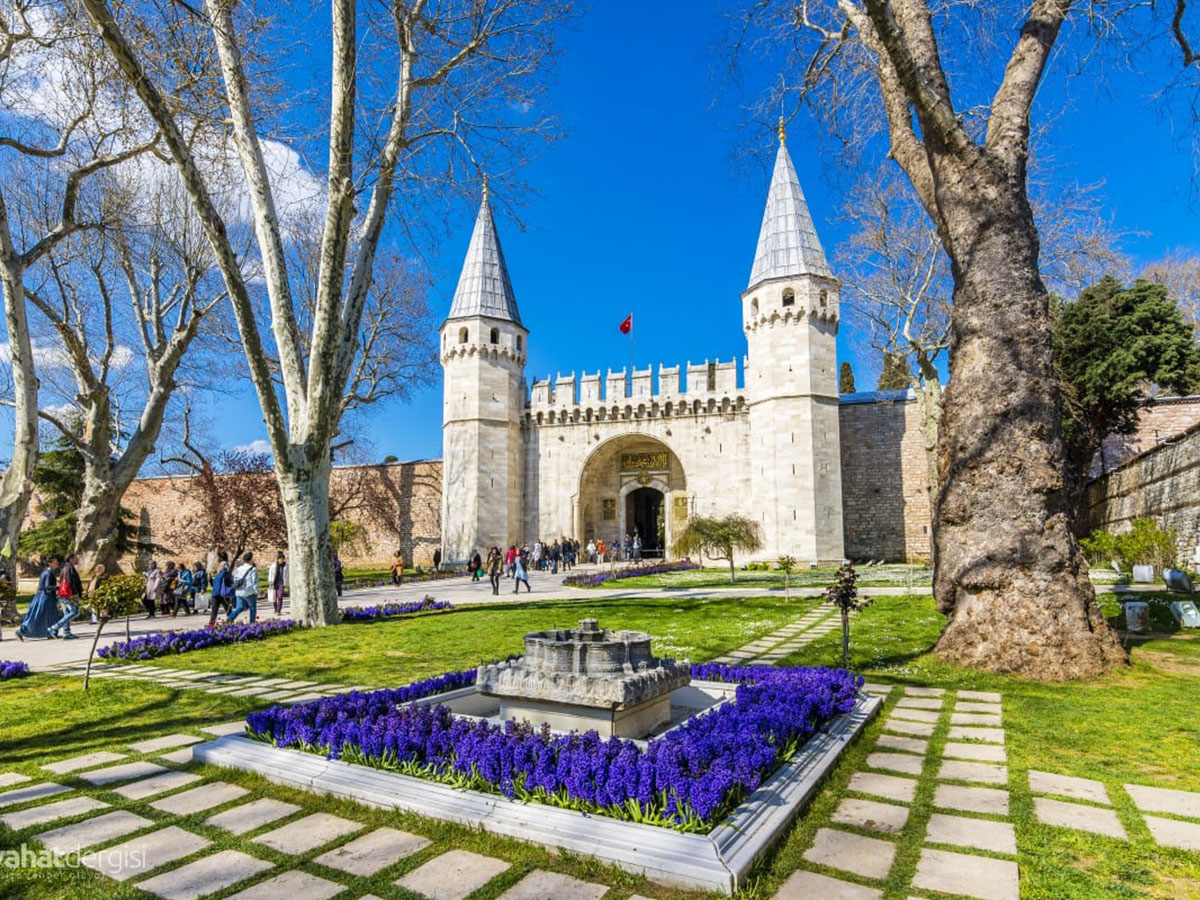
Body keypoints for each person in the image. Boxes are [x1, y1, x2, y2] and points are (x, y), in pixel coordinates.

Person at [16, 556, 61, 640]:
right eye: (55, 562)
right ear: (49, 563)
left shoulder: (44, 572)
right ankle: (21, 631)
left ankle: (49, 633)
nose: (57, 564)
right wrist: (59, 588)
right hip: (46, 597)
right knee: (40, 616)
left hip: (41, 596)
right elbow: (47, 587)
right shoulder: (49, 573)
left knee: (42, 616)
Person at [49, 552, 83, 639]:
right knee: (75, 611)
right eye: (76, 558)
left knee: (67, 613)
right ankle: (55, 626)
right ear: (71, 559)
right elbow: (70, 582)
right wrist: (75, 594)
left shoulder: (65, 568)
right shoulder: (69, 568)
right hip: (69, 594)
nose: (77, 559)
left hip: (63, 594)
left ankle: (66, 632)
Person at [228, 552, 258, 623]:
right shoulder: (253, 569)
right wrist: (256, 591)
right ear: (250, 560)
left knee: (239, 607)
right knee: (252, 608)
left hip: (239, 591)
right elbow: (254, 581)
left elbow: (235, 579)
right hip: (249, 591)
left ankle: (230, 617)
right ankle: (252, 622)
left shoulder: (238, 569)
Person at [208, 552, 234, 626]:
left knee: (227, 608)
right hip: (215, 593)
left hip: (223, 593)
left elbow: (228, 580)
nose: (218, 567)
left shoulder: (225, 573)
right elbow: (214, 584)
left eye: (220, 565)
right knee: (214, 609)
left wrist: (225, 568)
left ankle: (230, 620)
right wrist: (210, 579)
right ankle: (211, 623)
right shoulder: (218, 575)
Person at [267, 552, 288, 616]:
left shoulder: (286, 566)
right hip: (274, 582)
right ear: (278, 559)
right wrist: (270, 581)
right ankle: (275, 609)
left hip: (281, 582)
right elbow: (270, 574)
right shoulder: (273, 566)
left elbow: (287, 574)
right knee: (274, 597)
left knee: (280, 596)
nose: (281, 560)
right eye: (280, 559)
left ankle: (279, 610)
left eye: (282, 559)